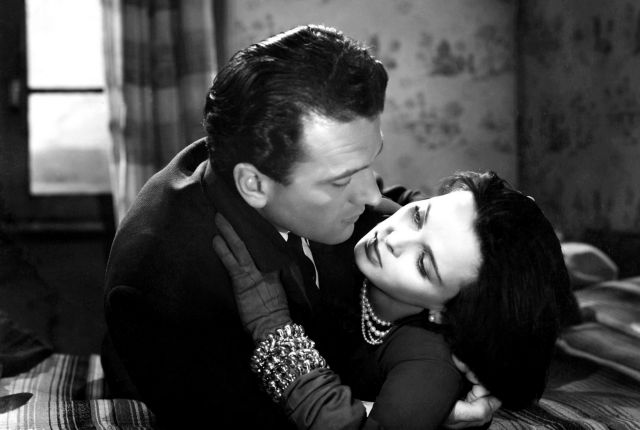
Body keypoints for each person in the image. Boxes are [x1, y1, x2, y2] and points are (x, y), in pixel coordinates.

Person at [101, 24, 498, 429]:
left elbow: (393, 200)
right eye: (342, 180)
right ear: (254, 184)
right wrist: (414, 414)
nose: (369, 194)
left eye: (370, 161)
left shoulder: (259, 151)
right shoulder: (167, 287)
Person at [214, 170, 578, 429]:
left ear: (443, 311)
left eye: (423, 264)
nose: (393, 238)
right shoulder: (376, 213)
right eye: (418, 218)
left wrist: (272, 327)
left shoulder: (429, 365)